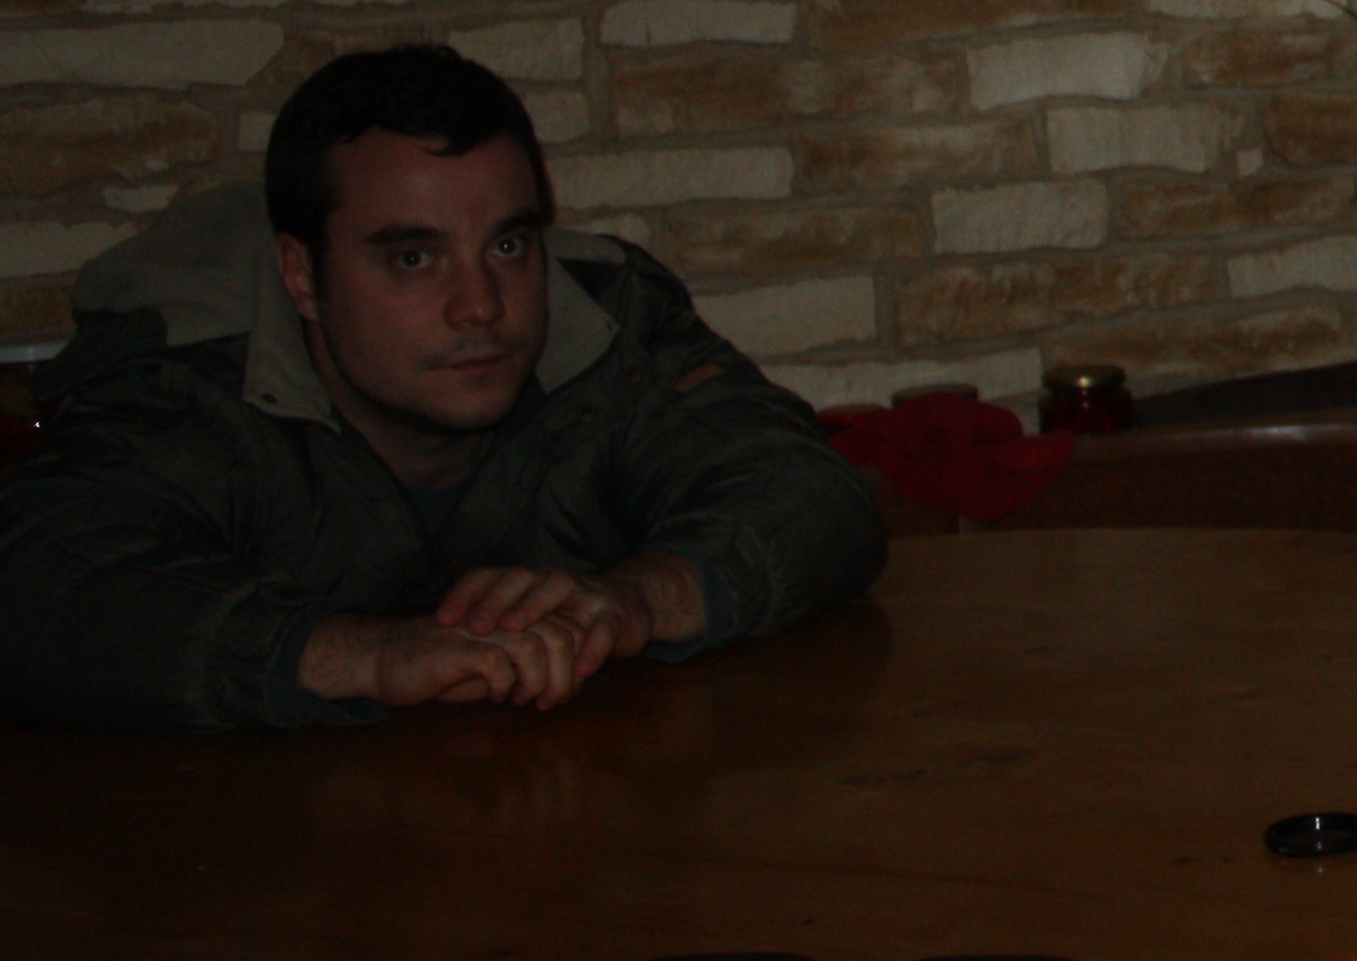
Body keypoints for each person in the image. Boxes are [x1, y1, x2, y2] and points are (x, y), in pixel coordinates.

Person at [0, 42, 886, 731]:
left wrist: (635, 601)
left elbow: (807, 493)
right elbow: (37, 588)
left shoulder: (605, 327)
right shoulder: (192, 385)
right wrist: (358, 656)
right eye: (413, 259)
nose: (481, 306)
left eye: (508, 245)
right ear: (301, 277)